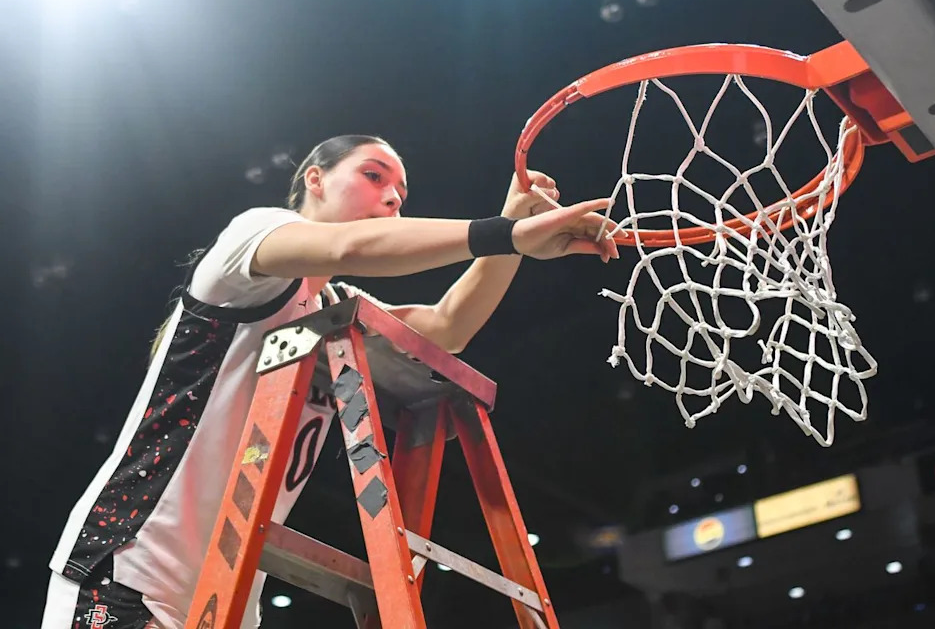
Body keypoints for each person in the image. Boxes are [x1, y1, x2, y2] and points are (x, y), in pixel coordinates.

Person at [41, 134, 621, 629]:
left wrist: (516, 224)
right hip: (130, 567)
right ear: (314, 179)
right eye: (374, 175)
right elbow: (350, 246)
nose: (392, 196)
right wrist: (506, 234)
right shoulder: (255, 235)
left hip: (227, 597)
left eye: (400, 193)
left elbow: (448, 327)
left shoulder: (340, 305)